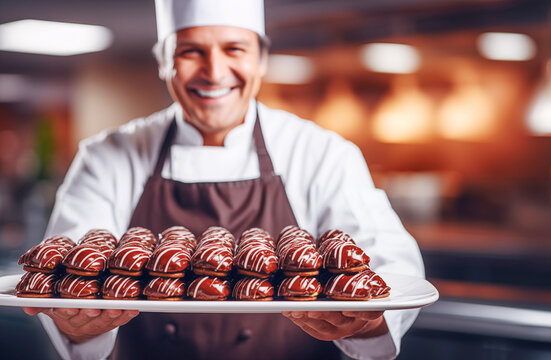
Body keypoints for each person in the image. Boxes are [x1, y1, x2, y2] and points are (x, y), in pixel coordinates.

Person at [23, 0, 425, 359]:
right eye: (191, 51)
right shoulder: (105, 157)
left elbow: (392, 267)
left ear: (261, 59)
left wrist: (370, 323)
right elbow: (70, 273)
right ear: (164, 61)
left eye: (235, 49)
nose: (214, 72)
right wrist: (75, 325)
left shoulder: (322, 153)